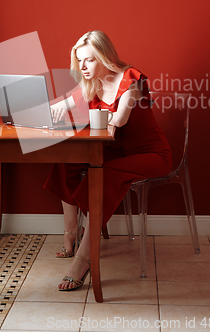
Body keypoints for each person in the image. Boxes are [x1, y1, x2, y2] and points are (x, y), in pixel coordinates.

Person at [43, 30, 172, 291]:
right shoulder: (91, 83)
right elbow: (62, 105)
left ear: (104, 57)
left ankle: (83, 259)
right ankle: (71, 234)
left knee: (101, 174)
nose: (83, 67)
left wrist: (85, 116)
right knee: (66, 161)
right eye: (79, 61)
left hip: (150, 155)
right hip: (116, 152)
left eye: (89, 60)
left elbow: (120, 119)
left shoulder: (131, 80)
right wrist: (40, 113)